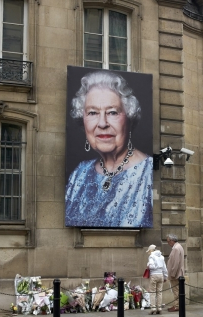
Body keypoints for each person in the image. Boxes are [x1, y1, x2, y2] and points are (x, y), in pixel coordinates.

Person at [65, 70, 153, 228]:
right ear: (83, 119)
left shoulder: (148, 172)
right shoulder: (79, 174)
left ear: (129, 117)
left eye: (112, 112)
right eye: (92, 112)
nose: (102, 123)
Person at [146, 244, 168, 315]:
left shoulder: (151, 256)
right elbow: (164, 268)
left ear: (151, 250)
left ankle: (153, 308)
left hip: (154, 275)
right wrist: (165, 277)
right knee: (159, 292)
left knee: (152, 292)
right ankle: (159, 307)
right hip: (161, 275)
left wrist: (148, 265)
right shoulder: (161, 257)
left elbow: (152, 266)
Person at [166, 233, 185, 312]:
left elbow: (176, 263)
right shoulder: (179, 246)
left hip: (176, 274)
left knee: (176, 290)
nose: (168, 243)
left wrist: (172, 274)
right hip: (178, 273)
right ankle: (177, 305)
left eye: (168, 241)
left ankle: (177, 306)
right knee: (178, 290)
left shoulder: (176, 248)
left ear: (172, 241)